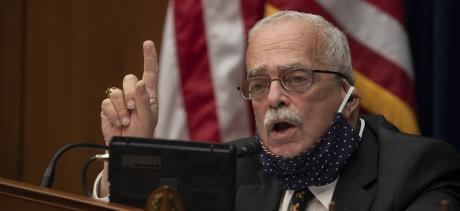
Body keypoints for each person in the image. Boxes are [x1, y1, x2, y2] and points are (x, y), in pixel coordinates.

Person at [97, 11, 460, 210]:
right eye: (258, 84)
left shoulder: (417, 171)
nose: (273, 98)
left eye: (296, 78)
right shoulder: (232, 169)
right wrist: (128, 159)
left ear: (347, 99)